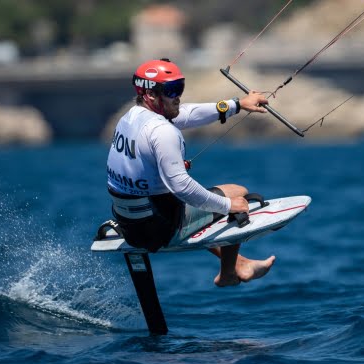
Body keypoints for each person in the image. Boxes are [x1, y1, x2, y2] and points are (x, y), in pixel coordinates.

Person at [106, 58, 275, 287]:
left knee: (197, 203)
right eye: (171, 90)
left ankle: (240, 263)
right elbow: (182, 187)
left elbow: (186, 113)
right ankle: (228, 273)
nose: (178, 96)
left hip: (127, 222)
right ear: (150, 95)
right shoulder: (163, 132)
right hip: (158, 230)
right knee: (237, 193)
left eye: (180, 87)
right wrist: (228, 206)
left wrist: (238, 104)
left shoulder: (130, 118)